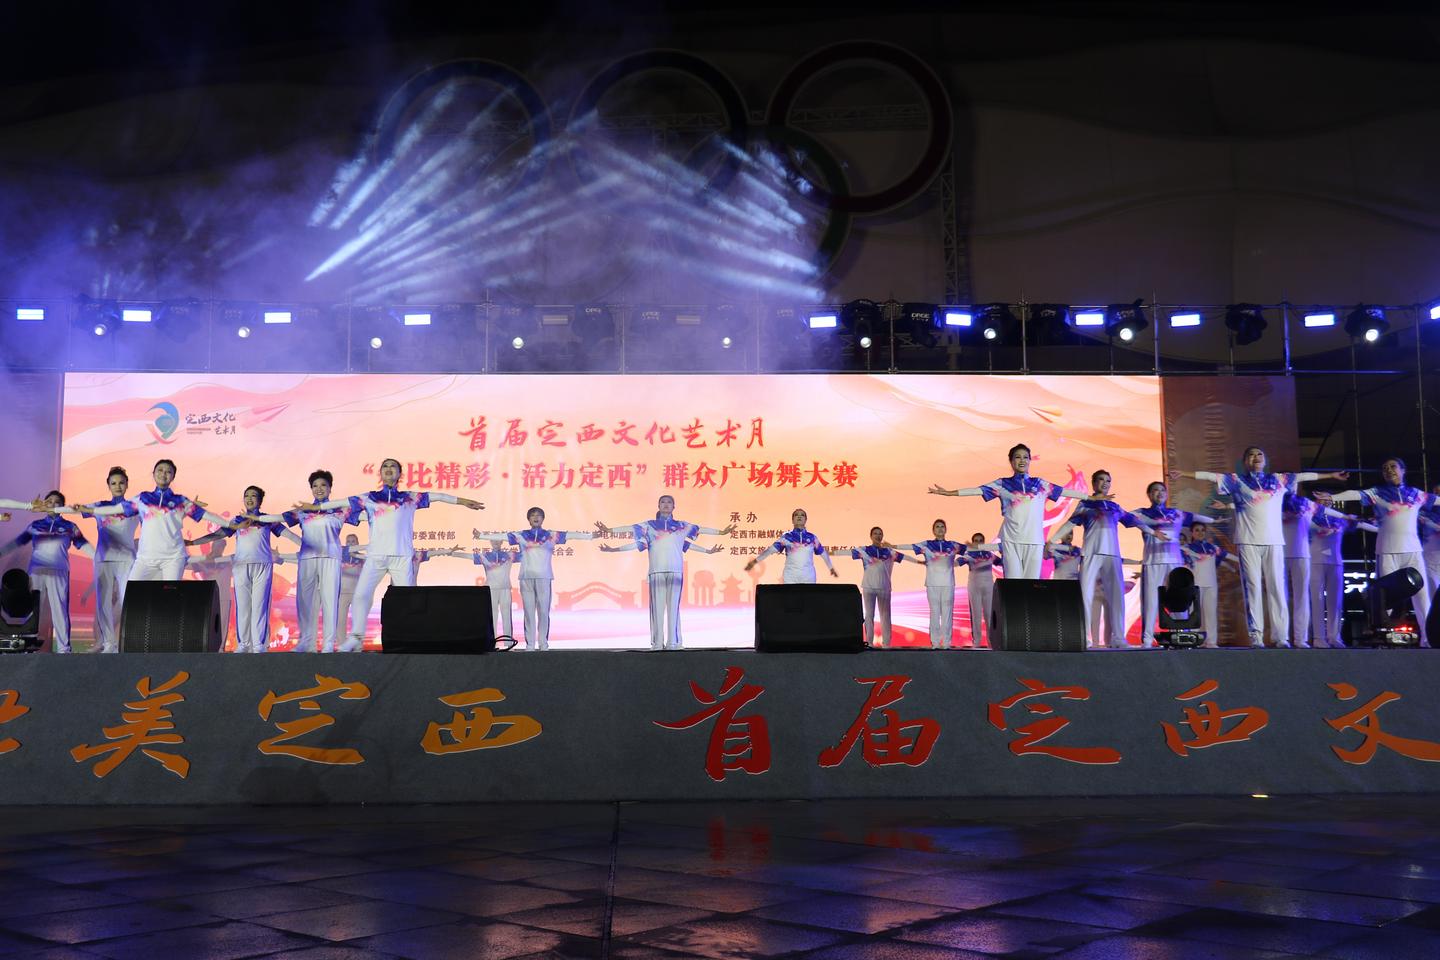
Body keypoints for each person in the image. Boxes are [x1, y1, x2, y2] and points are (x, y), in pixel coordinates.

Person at [298, 458, 483, 651]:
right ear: (380, 473)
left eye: (393, 466)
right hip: (376, 556)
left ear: (399, 474)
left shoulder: (410, 497)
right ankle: (356, 638)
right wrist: (315, 508)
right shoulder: (369, 497)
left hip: (401, 557)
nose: (388, 469)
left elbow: (438, 496)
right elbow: (341, 502)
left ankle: (411, 638)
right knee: (361, 596)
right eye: (385, 466)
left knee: (409, 600)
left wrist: (463, 501)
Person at [1174, 449, 1345, 647]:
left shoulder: (1278, 480)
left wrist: (1331, 475)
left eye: (1259, 455)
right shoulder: (1237, 480)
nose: (1256, 457)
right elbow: (1210, 476)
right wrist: (1183, 473)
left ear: (1265, 460)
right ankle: (1256, 636)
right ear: (1245, 461)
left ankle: (1281, 637)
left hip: (1274, 541)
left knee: (1277, 588)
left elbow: (1304, 476)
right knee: (1252, 588)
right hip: (1247, 541)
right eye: (1251, 455)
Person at [929, 443, 1099, 579]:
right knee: (1014, 586)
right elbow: (977, 490)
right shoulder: (1002, 484)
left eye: (1025, 457)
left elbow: (1064, 492)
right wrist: (949, 493)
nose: (1022, 460)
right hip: (1011, 542)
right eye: (1017, 457)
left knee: (1031, 586)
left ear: (1030, 461)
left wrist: (1090, 497)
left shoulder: (1040, 484)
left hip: (1035, 541)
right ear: (1011, 461)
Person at [596, 496, 735, 650]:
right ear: (658, 505)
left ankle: (673, 643)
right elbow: (630, 530)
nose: (666, 504)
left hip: (676, 571)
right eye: (663, 502)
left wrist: (721, 534)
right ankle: (657, 643)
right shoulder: (649, 526)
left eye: (669, 502)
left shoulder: (682, 526)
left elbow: (698, 532)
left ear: (674, 506)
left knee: (673, 608)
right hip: (656, 571)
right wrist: (609, 533)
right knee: (657, 609)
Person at [67, 459, 235, 581]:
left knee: (168, 598)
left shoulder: (181, 501)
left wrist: (230, 524)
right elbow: (113, 509)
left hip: (173, 557)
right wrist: (88, 510)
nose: (164, 474)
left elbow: (206, 515)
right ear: (153, 474)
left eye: (168, 472)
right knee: (133, 595)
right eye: (160, 470)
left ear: (173, 477)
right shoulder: (143, 498)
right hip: (145, 558)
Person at [1330, 457, 1437, 646]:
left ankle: (1429, 639)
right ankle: (1383, 638)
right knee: (1385, 599)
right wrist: (1332, 498)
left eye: (1393, 466)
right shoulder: (1377, 493)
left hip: (1413, 552)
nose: (1389, 470)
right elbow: (1355, 494)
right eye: (1385, 468)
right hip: (1387, 551)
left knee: (1422, 596)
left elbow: (1437, 501)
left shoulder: (1416, 494)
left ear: (1403, 470)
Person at [255, 470, 358, 653]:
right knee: (305, 601)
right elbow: (278, 518)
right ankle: (306, 642)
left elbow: (364, 515)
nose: (319, 489)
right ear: (311, 489)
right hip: (307, 559)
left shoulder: (340, 510)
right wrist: (257, 518)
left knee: (329, 599)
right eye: (315, 486)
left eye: (323, 485)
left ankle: (328, 643)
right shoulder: (303, 511)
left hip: (330, 558)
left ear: (330, 488)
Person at [189, 486, 301, 653]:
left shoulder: (267, 520)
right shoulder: (237, 521)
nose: (249, 498)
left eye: (253, 496)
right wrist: (192, 543)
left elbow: (289, 535)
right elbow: (217, 535)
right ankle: (243, 644)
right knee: (243, 607)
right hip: (241, 566)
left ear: (260, 500)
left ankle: (258, 645)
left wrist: (307, 546)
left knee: (259, 607)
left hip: (262, 566)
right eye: (246, 495)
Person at [1048, 470, 1145, 649]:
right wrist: (1052, 540)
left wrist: (1154, 531)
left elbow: (1134, 521)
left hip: (1112, 555)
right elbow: (1070, 523)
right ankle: (1085, 638)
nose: (1105, 483)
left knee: (1116, 597)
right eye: (1101, 479)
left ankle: (1118, 638)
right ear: (1093, 483)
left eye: (1108, 480)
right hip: (1091, 553)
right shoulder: (1085, 504)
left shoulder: (1115, 507)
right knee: (1085, 595)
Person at [476, 508, 596, 651]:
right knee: (528, 612)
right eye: (532, 515)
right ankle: (530, 645)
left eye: (538, 515)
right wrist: (481, 536)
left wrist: (590, 536)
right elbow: (502, 536)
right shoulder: (522, 535)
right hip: (526, 577)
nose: (536, 517)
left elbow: (571, 535)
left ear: (543, 518)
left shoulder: (551, 535)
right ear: (529, 519)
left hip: (544, 577)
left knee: (544, 612)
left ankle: (543, 644)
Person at [0, 492, 94, 653]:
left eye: (57, 502)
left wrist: (100, 559)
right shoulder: (35, 525)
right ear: (44, 504)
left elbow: (83, 545)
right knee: (31, 609)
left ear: (62, 506)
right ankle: (26, 645)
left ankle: (64, 650)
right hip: (36, 571)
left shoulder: (70, 527)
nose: (52, 504)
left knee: (60, 610)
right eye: (49, 501)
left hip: (59, 572)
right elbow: (18, 542)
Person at [1133, 482, 1220, 648]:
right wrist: (1152, 532)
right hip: (1153, 561)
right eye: (1155, 490)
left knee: (1179, 600)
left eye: (1162, 490)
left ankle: (1183, 636)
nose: (1159, 493)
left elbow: (1197, 518)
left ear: (1166, 494)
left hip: (1174, 562)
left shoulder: (1176, 513)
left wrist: (1215, 520)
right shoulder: (1142, 513)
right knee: (1151, 601)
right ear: (1149, 495)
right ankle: (1147, 640)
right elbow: (1125, 517)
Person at [70, 466, 140, 653]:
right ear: (108, 486)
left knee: (128, 602)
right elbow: (75, 509)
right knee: (103, 603)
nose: (118, 486)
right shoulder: (99, 506)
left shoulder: (134, 507)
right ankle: (109, 643)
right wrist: (51, 508)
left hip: (127, 560)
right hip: (103, 559)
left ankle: (128, 641)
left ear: (127, 485)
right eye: (113, 483)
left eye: (121, 483)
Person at [889, 520, 972, 649]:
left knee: (947, 613)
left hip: (948, 583)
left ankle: (947, 643)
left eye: (942, 526)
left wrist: (977, 546)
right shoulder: (927, 545)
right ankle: (935, 642)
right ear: (933, 530)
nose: (940, 529)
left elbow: (970, 549)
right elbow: (910, 546)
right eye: (937, 527)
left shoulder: (953, 545)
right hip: (932, 583)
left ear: (946, 529)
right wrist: (893, 545)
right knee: (935, 613)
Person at [1309, 510, 1377, 648]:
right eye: (1322, 500)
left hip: (1336, 562)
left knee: (1336, 601)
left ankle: (1334, 636)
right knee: (1317, 601)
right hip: (1316, 562)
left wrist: (1382, 527)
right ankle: (1318, 637)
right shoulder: (1311, 518)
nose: (1326, 503)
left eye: (1328, 500)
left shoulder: (1340, 521)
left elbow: (1362, 524)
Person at [1181, 521, 1241, 648]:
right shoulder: (1186, 549)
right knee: (1194, 614)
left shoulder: (1212, 548)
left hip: (1211, 585)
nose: (1200, 533)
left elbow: (1226, 556)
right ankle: (1195, 640)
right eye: (1197, 530)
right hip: (1195, 585)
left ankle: (1211, 641)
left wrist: (1241, 562)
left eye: (1202, 530)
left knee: (1211, 613)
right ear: (1192, 532)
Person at [745, 508, 838, 583]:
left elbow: (823, 554)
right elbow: (770, 551)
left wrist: (831, 568)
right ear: (792, 520)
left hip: (808, 575)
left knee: (808, 600)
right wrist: (754, 562)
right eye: (796, 515)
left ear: (806, 520)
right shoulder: (786, 537)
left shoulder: (812, 537)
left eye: (802, 515)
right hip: (790, 575)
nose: (799, 516)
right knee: (790, 600)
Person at [185, 539, 236, 649]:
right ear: (212, 546)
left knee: (222, 624)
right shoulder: (204, 561)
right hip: (209, 597)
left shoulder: (228, 562)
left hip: (224, 597)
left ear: (223, 548)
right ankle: (206, 647)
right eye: (216, 546)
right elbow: (186, 564)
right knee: (208, 623)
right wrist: (203, 559)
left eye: (221, 546)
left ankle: (220, 649)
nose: (218, 548)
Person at [959, 533, 1001, 647]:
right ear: (973, 542)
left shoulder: (989, 554)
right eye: (976, 541)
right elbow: (958, 562)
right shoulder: (969, 554)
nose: (978, 543)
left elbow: (1002, 562)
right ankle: (976, 642)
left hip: (988, 586)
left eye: (980, 540)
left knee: (989, 615)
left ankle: (991, 642)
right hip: (974, 586)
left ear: (984, 542)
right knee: (976, 614)